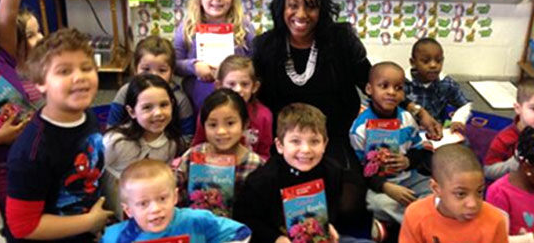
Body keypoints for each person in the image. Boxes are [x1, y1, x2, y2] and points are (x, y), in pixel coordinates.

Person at [253, 0, 441, 171]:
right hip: (284, 143)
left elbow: (374, 82)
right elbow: (250, 95)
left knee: (348, 197)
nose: (301, 14)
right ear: (282, 6)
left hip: (336, 138)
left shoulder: (341, 40)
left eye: (310, 6)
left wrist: (418, 112)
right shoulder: (265, 46)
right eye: (293, 5)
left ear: (322, 9)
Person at [6, 28, 112, 242]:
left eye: (86, 68)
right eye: (64, 71)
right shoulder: (32, 152)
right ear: (40, 83)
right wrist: (89, 222)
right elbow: (23, 227)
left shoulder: (86, 116)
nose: (79, 77)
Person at [234, 103, 372, 243]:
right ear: (280, 146)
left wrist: (328, 226)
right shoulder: (263, 179)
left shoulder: (331, 171)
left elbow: (330, 207)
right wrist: (276, 238)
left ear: (324, 144)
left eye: (314, 141)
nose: (306, 149)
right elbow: (245, 219)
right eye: (295, 141)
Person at [350, 62, 432, 226]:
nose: (391, 92)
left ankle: (407, 218)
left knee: (435, 188)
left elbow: (418, 149)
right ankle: (419, 224)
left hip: (408, 178)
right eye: (384, 86)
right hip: (378, 186)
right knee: (375, 204)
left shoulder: (407, 119)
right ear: (369, 89)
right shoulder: (359, 128)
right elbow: (358, 169)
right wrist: (385, 186)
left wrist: (408, 161)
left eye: (398, 88)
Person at [101, 159, 251, 243]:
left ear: (175, 197)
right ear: (128, 210)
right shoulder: (114, 237)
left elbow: (241, 233)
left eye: (162, 198)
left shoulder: (197, 221)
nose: (155, 209)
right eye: (143, 203)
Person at [103, 74, 185, 219]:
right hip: (115, 219)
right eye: (147, 107)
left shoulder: (171, 143)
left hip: (150, 218)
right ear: (132, 111)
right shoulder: (116, 143)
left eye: (164, 105)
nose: (158, 113)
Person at [174, 0, 254, 113]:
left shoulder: (243, 26)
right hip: (198, 99)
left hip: (236, 95)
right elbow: (175, 62)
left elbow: (255, 59)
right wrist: (194, 66)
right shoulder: (187, 26)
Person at [174, 89, 264, 209]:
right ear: (203, 126)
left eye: (230, 123)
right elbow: (174, 189)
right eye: (212, 125)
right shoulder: (194, 155)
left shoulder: (255, 165)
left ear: (245, 124)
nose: (221, 131)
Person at [400, 144, 509, 243]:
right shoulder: (416, 215)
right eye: (461, 194)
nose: (473, 204)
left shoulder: (495, 220)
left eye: (479, 192)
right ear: (436, 189)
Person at [0, 0, 36, 216]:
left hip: (31, 153)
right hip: (2, 166)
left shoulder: (2, 56)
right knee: (18, 221)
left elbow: (7, 16)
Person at [107, 36, 194, 139]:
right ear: (135, 69)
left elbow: (187, 136)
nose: (153, 76)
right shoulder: (125, 92)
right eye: (146, 69)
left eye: (162, 70)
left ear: (172, 71)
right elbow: (111, 129)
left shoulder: (180, 100)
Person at [191, 55, 273, 160]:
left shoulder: (264, 116)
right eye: (231, 84)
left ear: (255, 86)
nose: (238, 89)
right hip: (212, 170)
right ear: (219, 86)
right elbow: (198, 145)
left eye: (244, 84)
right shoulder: (209, 111)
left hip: (248, 170)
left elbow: (264, 153)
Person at [484, 77, 534, 180]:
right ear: (518, 108)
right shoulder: (505, 139)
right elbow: (488, 171)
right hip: (512, 185)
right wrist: (517, 160)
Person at [404, 38, 472, 133]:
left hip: (436, 130)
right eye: (426, 61)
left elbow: (465, 104)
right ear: (413, 63)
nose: (433, 65)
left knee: (462, 144)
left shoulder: (446, 83)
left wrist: (458, 120)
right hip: (406, 130)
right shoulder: (402, 82)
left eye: (438, 61)